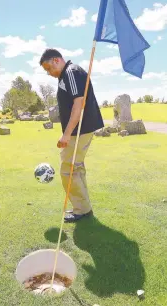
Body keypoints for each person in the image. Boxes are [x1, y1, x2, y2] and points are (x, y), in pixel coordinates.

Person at [40, 48, 104, 222]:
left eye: (48, 68)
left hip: (79, 130)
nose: (49, 73)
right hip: (80, 130)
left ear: (56, 60)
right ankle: (84, 208)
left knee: (68, 169)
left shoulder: (71, 71)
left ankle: (81, 210)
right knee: (77, 167)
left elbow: (79, 103)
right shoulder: (67, 74)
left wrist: (66, 134)